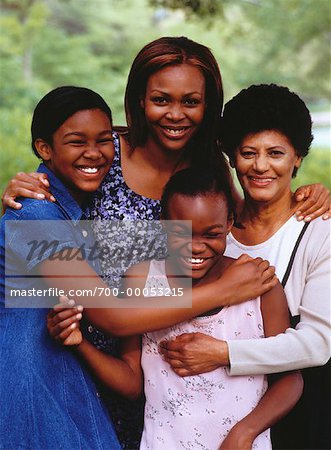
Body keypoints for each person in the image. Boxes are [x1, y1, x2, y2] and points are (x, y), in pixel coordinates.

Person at [1, 38, 329, 448]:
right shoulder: (104, 152)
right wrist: (28, 184)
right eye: (160, 99)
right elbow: (53, 219)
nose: (176, 114)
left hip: (161, 379)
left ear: (208, 105)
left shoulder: (207, 167)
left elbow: (241, 222)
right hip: (77, 354)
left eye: (191, 101)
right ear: (139, 100)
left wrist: (309, 196)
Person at [48, 168, 304, 450]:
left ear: (229, 222)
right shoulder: (143, 280)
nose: (196, 247)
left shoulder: (259, 284)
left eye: (211, 234)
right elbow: (132, 383)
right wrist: (79, 343)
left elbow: (289, 378)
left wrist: (245, 432)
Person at [160, 84, 331, 450]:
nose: (261, 166)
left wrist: (223, 353)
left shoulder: (320, 232)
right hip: (191, 425)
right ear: (233, 157)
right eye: (248, 153)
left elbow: (318, 344)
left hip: (300, 422)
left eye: (276, 153)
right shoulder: (211, 234)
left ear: (297, 158)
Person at [0, 86, 122, 449]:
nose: (93, 153)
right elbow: (110, 313)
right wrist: (226, 289)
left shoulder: (71, 212)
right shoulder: (34, 212)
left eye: (104, 140)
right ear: (44, 149)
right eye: (76, 141)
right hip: (27, 385)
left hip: (57, 373)